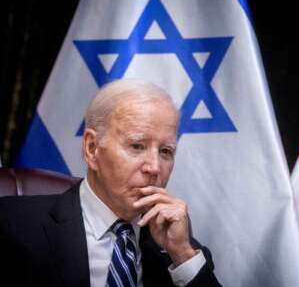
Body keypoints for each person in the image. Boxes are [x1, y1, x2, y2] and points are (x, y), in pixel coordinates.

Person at [0, 79, 221, 287]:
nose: (154, 167)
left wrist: (182, 254)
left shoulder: (181, 252)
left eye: (165, 151)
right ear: (92, 148)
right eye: (137, 146)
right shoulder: (12, 224)